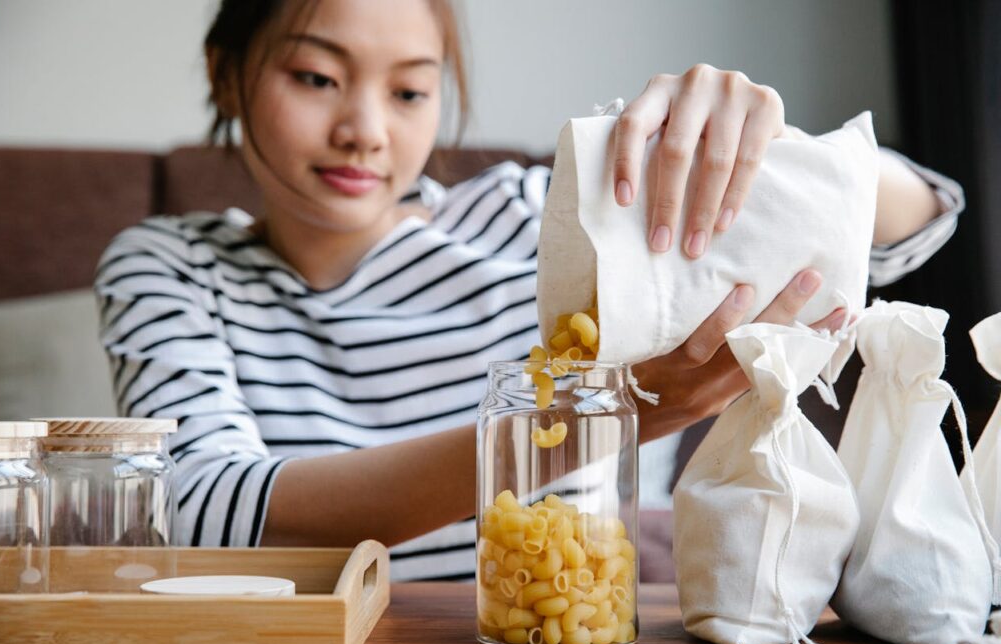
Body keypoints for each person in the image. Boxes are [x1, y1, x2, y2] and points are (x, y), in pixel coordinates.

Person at [94, 0, 963, 580]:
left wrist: (766, 140)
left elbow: (918, 215)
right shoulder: (170, 267)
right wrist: (607, 416)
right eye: (317, 78)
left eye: (408, 91)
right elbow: (200, 508)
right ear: (225, 72)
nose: (364, 131)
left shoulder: (540, 217)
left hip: (588, 641)